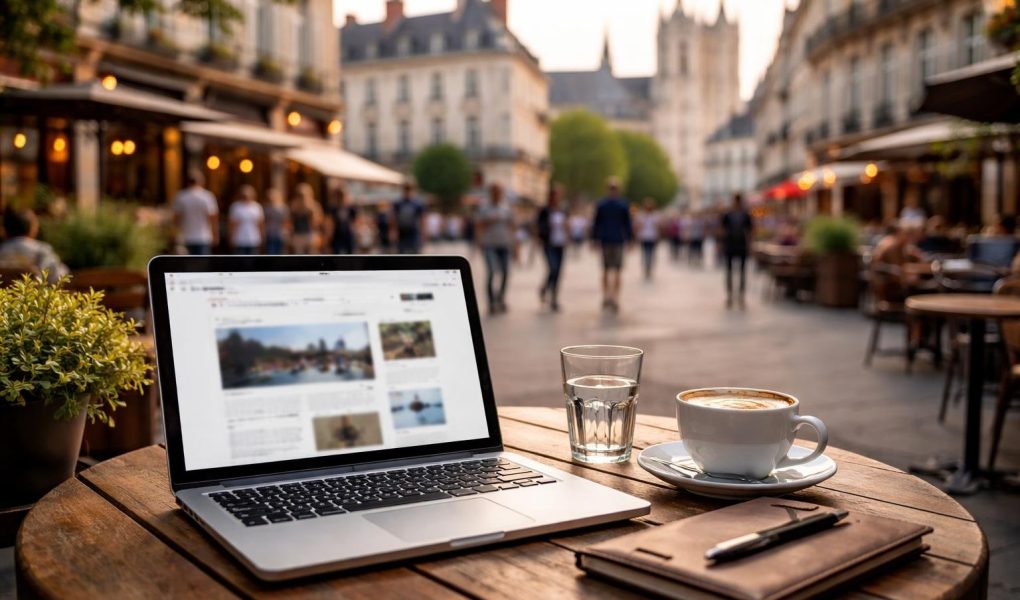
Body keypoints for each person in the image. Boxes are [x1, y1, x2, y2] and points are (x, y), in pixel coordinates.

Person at [591, 179, 632, 312]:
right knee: (609, 270)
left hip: (612, 239)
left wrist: (630, 239)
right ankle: (610, 296)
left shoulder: (606, 204)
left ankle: (612, 297)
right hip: (611, 240)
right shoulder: (620, 205)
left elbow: (627, 224)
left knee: (613, 270)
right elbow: (597, 223)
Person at [0, 207, 68, 283]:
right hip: (34, 294)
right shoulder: (42, 251)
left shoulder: (2, 249)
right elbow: (59, 277)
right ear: (32, 229)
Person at [476, 183, 515, 315]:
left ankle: (501, 298)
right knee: (491, 272)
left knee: (505, 272)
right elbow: (479, 225)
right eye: (495, 192)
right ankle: (491, 301)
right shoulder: (484, 208)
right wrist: (479, 242)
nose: (497, 194)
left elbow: (512, 226)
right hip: (489, 244)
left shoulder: (506, 208)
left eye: (499, 192)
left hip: (504, 244)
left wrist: (515, 245)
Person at [536, 184, 568, 311]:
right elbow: (539, 225)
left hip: (560, 243)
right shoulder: (545, 210)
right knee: (552, 268)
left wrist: (567, 231)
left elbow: (567, 224)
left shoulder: (563, 210)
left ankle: (554, 298)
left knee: (558, 272)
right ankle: (545, 289)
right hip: (549, 243)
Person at [172, 169, 218, 255]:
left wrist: (174, 235)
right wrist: (215, 235)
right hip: (203, 237)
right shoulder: (207, 196)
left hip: (185, 237)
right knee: (202, 265)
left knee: (186, 266)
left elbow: (176, 219)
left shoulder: (181, 196)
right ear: (202, 181)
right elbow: (212, 218)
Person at [720, 193, 754, 308]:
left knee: (740, 272)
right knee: (732, 272)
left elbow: (749, 231)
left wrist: (749, 246)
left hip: (739, 245)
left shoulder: (743, 215)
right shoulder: (731, 215)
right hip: (733, 245)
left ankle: (738, 296)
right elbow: (723, 230)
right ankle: (732, 296)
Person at [227, 185, 264, 255]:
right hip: (239, 239)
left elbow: (261, 223)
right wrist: (231, 237)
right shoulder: (235, 206)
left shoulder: (257, 207)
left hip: (254, 238)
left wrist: (262, 237)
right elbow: (231, 224)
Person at [289, 183, 323, 254]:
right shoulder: (293, 205)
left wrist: (311, 212)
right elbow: (290, 222)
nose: (302, 197)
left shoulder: (314, 206)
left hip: (310, 235)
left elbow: (317, 223)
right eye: (299, 195)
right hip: (297, 235)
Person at [392, 183, 425, 254]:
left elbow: (422, 219)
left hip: (413, 233)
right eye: (406, 189)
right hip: (402, 233)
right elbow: (394, 218)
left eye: (409, 189)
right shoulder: (398, 203)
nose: (408, 192)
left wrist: (423, 233)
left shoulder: (417, 203)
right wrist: (394, 231)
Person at [635, 198, 660, 281]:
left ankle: (649, 269)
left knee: (651, 255)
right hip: (644, 237)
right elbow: (638, 227)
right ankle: (646, 269)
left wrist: (657, 235)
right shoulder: (641, 215)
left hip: (652, 238)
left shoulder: (655, 216)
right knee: (645, 254)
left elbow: (657, 227)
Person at [326, 187, 357, 255]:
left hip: (348, 233)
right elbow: (330, 222)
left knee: (350, 253)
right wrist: (329, 235)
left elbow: (355, 220)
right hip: (337, 234)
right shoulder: (333, 208)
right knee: (336, 253)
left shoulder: (350, 207)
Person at [262, 188, 289, 255]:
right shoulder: (265, 208)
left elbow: (286, 221)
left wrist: (286, 232)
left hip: (280, 234)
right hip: (269, 234)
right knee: (271, 253)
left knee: (280, 253)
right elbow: (263, 222)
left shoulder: (283, 208)